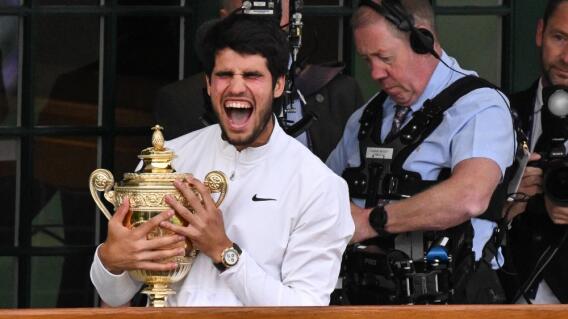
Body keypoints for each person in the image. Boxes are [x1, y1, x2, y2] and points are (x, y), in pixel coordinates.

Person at [90, 13, 354, 306]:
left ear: (279, 85)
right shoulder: (169, 159)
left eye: (252, 75)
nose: (237, 87)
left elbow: (305, 311)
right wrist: (111, 260)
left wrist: (223, 250)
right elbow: (115, 295)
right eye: (225, 75)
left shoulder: (318, 185)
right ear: (208, 84)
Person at [326, 0, 515, 304]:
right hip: (361, 297)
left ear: (422, 39)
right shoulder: (366, 117)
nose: (375, 72)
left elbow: (470, 196)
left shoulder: (480, 107)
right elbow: (319, 190)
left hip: (451, 300)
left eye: (384, 57)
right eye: (367, 59)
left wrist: (370, 221)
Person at [154, 0, 363, 161]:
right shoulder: (180, 101)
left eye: (273, 8)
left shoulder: (339, 92)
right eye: (250, 9)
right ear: (225, 18)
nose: (237, 87)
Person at [499, 0, 568, 304]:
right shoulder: (498, 112)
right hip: (506, 293)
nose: (567, 57)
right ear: (540, 32)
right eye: (560, 38)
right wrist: (504, 203)